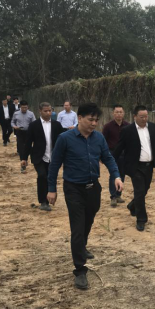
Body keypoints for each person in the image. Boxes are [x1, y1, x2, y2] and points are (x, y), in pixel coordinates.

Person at [47, 103, 123, 290]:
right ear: (79, 118)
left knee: (88, 221)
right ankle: (80, 269)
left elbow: (108, 158)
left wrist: (116, 175)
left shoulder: (99, 138)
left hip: (93, 188)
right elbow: (54, 164)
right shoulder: (65, 139)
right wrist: (51, 189)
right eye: (91, 120)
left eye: (96, 120)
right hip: (73, 189)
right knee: (77, 227)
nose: (94, 123)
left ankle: (81, 246)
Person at [114, 105, 155, 232]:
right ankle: (141, 220)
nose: (144, 119)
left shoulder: (153, 127)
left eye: (146, 116)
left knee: (145, 189)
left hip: (149, 165)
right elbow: (119, 147)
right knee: (139, 192)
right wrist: (111, 160)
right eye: (141, 117)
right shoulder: (127, 130)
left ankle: (132, 205)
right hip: (135, 167)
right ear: (135, 116)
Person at [21, 102, 66, 211]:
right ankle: (43, 202)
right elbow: (28, 142)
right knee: (42, 176)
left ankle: (51, 197)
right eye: (45, 111)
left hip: (53, 157)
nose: (48, 113)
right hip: (39, 156)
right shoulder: (34, 125)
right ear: (40, 111)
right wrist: (24, 158)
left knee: (51, 177)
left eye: (50, 111)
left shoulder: (57, 125)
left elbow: (63, 141)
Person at [102, 104, 129, 207]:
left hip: (124, 153)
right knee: (113, 174)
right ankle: (113, 196)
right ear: (113, 113)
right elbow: (103, 141)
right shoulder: (108, 126)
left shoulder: (128, 125)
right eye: (117, 112)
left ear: (124, 113)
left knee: (122, 174)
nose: (119, 114)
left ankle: (118, 195)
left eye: (120, 112)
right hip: (112, 153)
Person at [11, 100, 36, 171]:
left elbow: (34, 123)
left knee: (29, 147)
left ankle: (32, 160)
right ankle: (23, 163)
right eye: (23, 107)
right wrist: (14, 126)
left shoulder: (31, 114)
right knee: (21, 148)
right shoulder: (16, 114)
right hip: (19, 132)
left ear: (28, 107)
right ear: (20, 107)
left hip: (28, 132)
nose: (24, 109)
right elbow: (12, 122)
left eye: (25, 107)